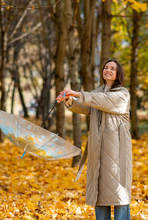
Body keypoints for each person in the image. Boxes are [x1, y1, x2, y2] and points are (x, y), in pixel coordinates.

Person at [56, 59, 132, 220]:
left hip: (117, 150)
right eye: (106, 68)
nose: (108, 70)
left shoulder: (123, 94)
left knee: (119, 193)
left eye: (113, 68)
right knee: (100, 191)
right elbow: (87, 107)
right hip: (98, 148)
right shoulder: (98, 92)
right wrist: (69, 100)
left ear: (118, 73)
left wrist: (79, 94)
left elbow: (104, 101)